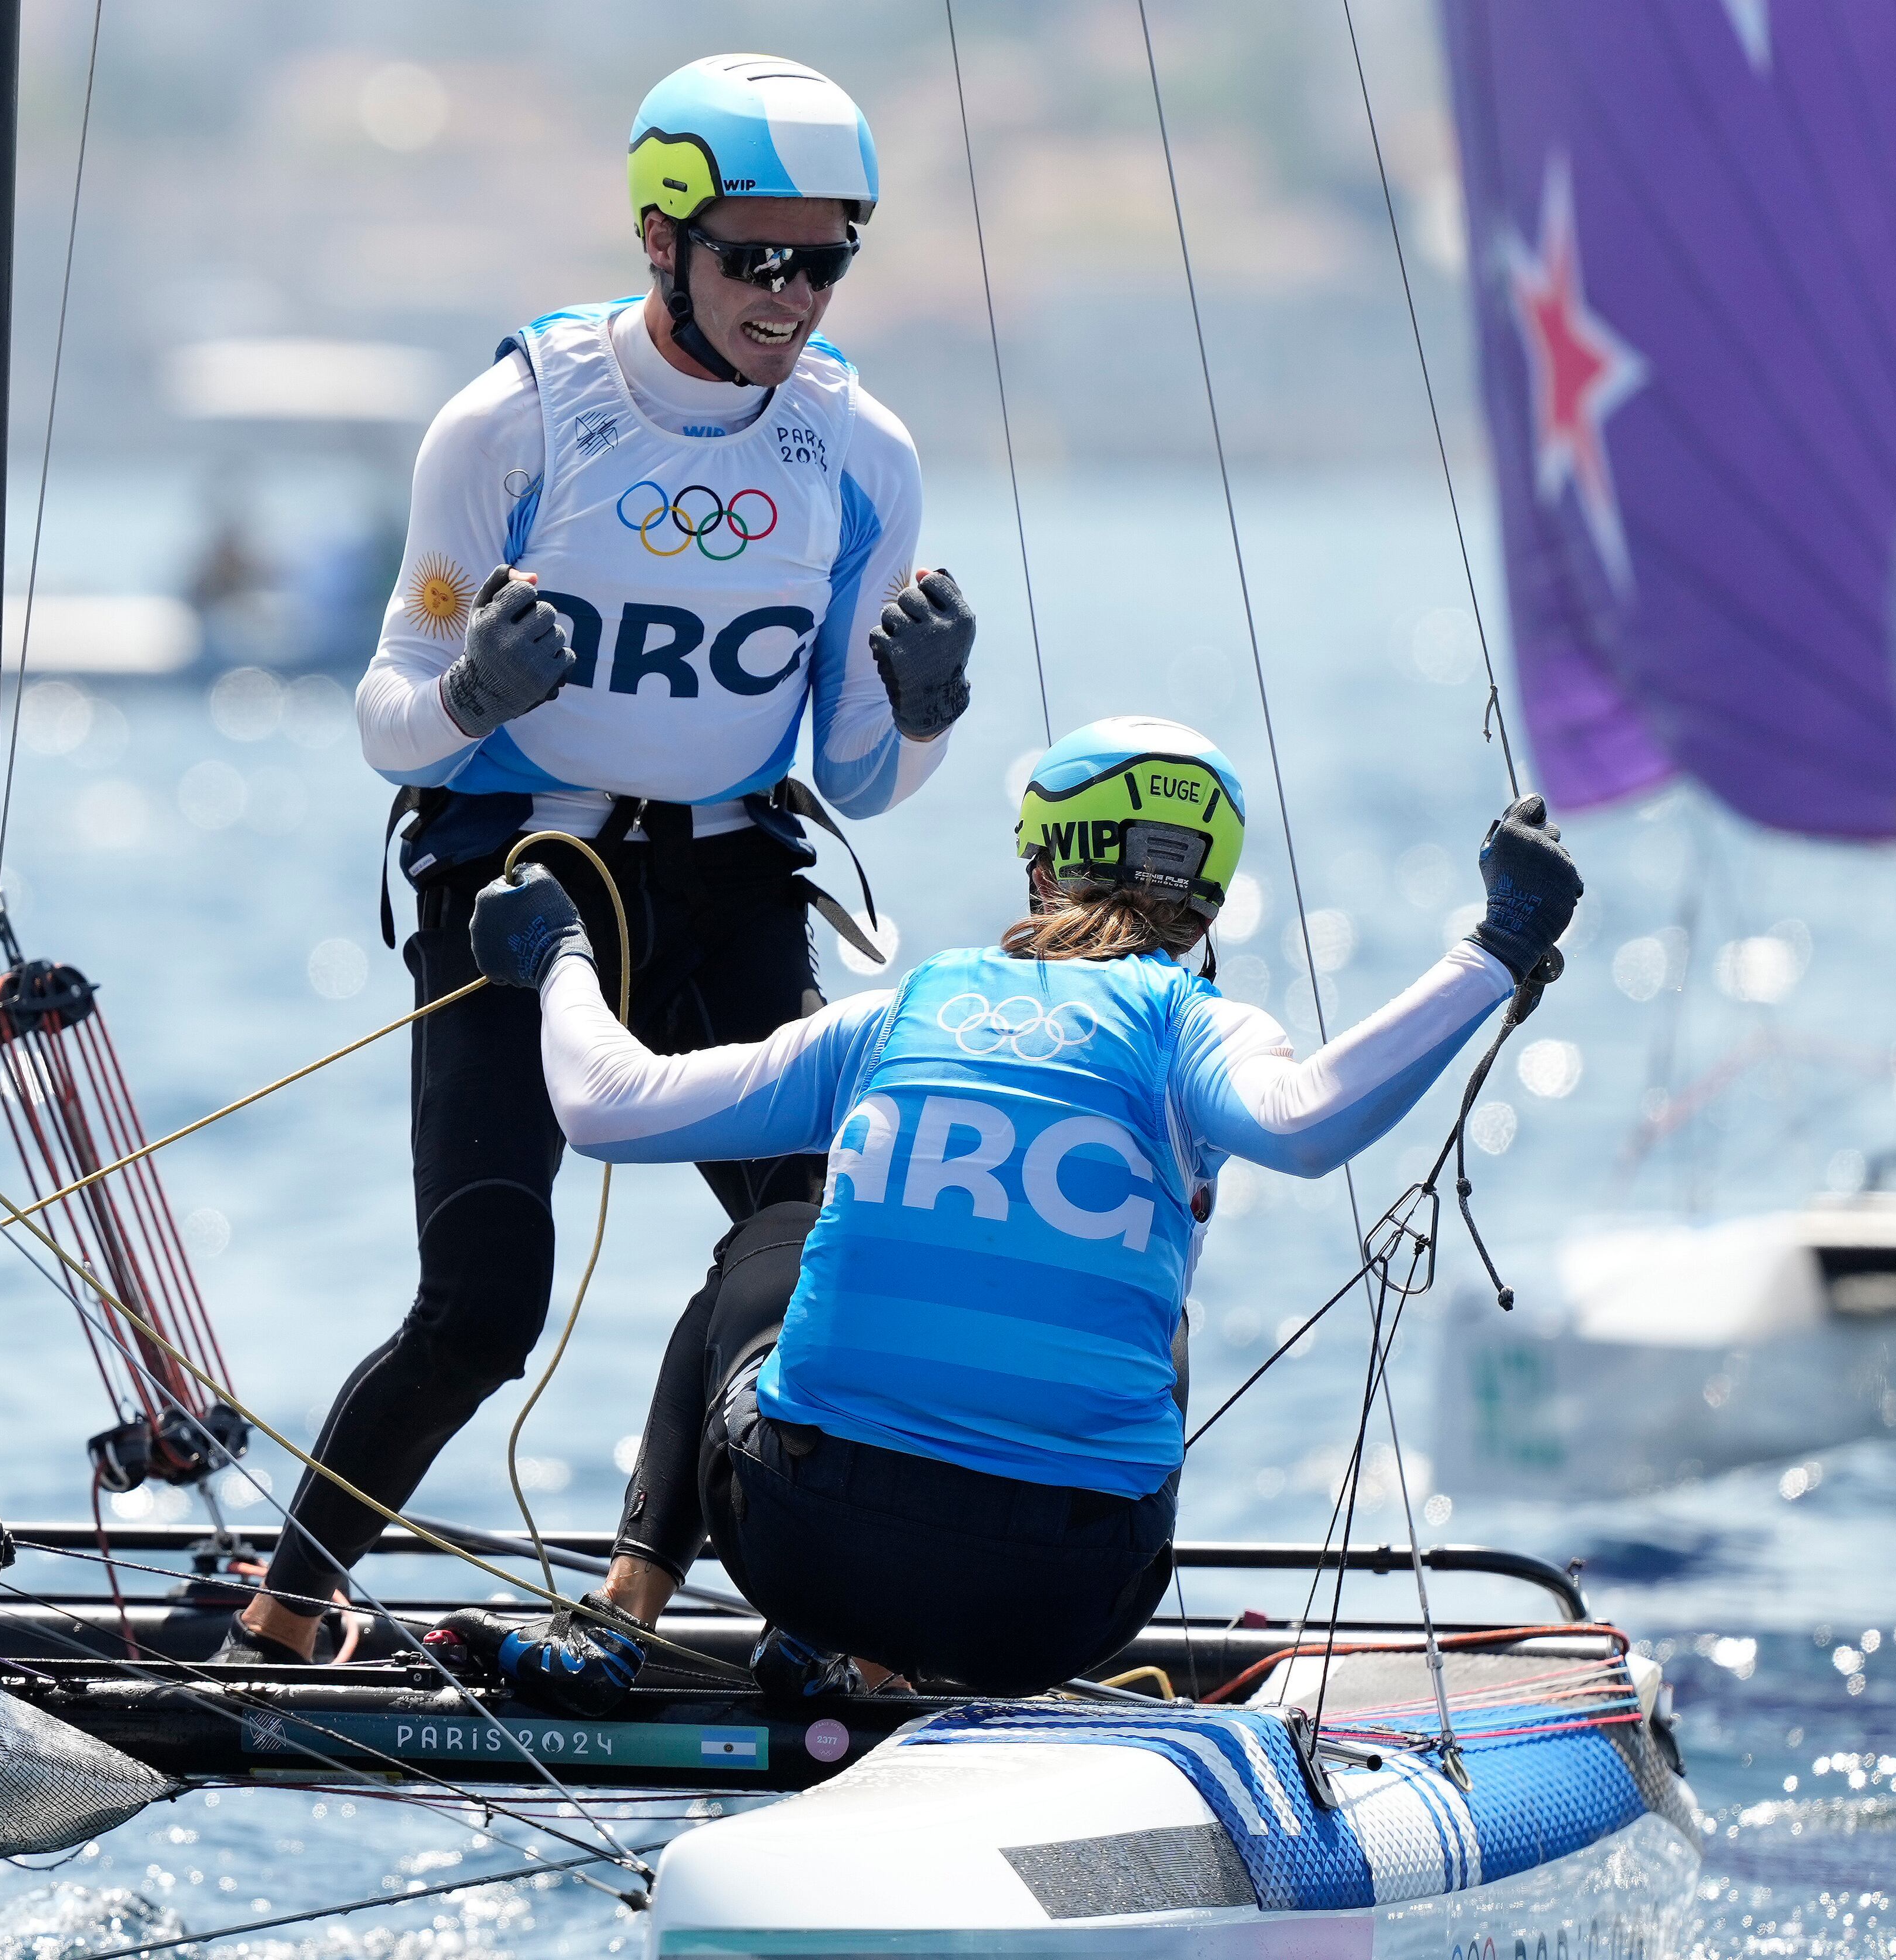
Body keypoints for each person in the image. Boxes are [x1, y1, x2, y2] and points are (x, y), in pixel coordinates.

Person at [223, 55, 977, 1664]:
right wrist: (471, 691)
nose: (791, 294)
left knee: (814, 1254)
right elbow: (386, 717)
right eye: (754, 254)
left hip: (728, 882)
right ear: (660, 235)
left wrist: (924, 713)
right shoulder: (514, 424)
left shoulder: (864, 454)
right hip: (518, 880)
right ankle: (286, 1605)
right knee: (485, 1305)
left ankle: (647, 1600)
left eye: (825, 255)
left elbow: (857, 772)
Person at [437, 717, 1585, 1710]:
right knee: (1155, 1319)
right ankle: (874, 1663)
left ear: (1043, 866)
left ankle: (624, 1612)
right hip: (1061, 1612)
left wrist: (561, 955)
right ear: (1208, 894)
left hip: (803, 1552)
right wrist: (1496, 947)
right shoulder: (1197, 1029)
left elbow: (604, 1103)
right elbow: (1304, 1122)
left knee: (766, 1242)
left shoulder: (900, 1014)